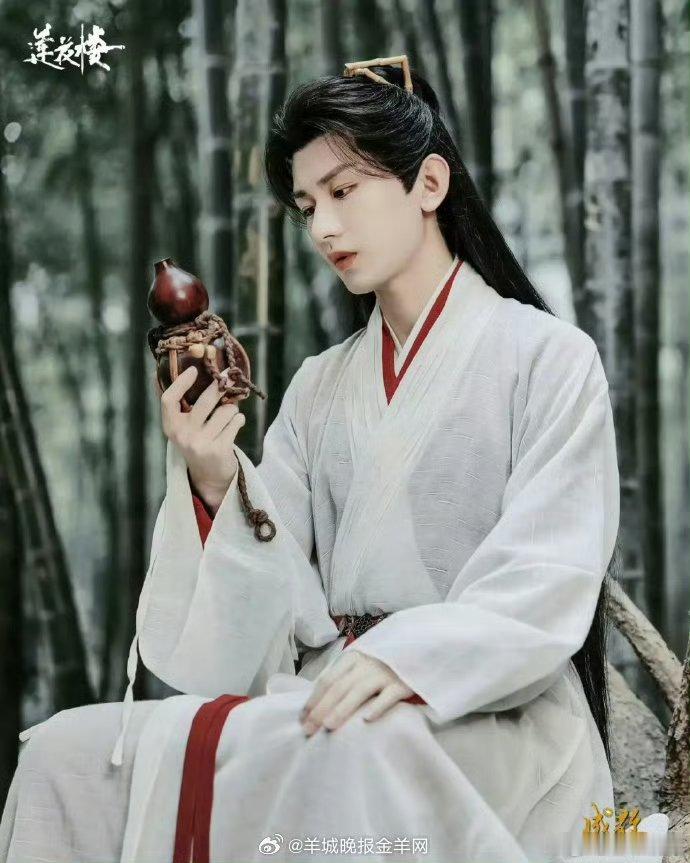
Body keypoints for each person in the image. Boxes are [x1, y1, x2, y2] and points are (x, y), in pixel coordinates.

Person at [0, 57, 620, 863]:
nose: (323, 226)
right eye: (306, 205)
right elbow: (272, 604)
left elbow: (546, 575)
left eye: (343, 191)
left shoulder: (549, 358)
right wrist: (213, 475)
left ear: (430, 184)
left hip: (489, 715)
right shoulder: (320, 385)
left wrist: (407, 658)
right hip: (338, 695)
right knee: (66, 752)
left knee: (344, 752)